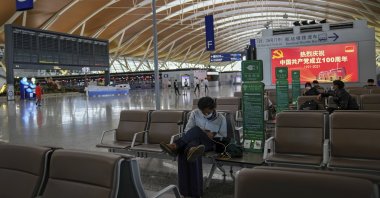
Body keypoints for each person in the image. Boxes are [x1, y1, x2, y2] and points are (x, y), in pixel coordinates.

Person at [160, 97, 227, 197]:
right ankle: (190, 150)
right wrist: (201, 132)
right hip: (196, 143)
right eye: (202, 111)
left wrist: (213, 134)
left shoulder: (221, 118)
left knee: (196, 130)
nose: (204, 114)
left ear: (213, 108)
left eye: (207, 112)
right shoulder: (195, 113)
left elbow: (223, 136)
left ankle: (175, 146)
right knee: (191, 144)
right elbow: (187, 130)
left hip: (211, 143)